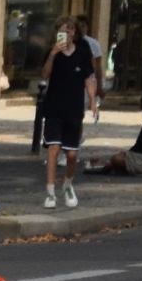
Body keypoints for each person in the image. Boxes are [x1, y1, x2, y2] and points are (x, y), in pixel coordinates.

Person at [39, 24, 94, 208]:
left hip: (74, 109)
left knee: (71, 154)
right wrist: (53, 53)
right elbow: (45, 74)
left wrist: (93, 101)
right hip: (54, 108)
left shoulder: (83, 53)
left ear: (75, 34)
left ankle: (68, 185)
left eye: (70, 30)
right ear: (57, 34)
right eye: (63, 31)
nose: (67, 34)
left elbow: (88, 79)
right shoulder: (51, 52)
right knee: (53, 148)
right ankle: (50, 192)